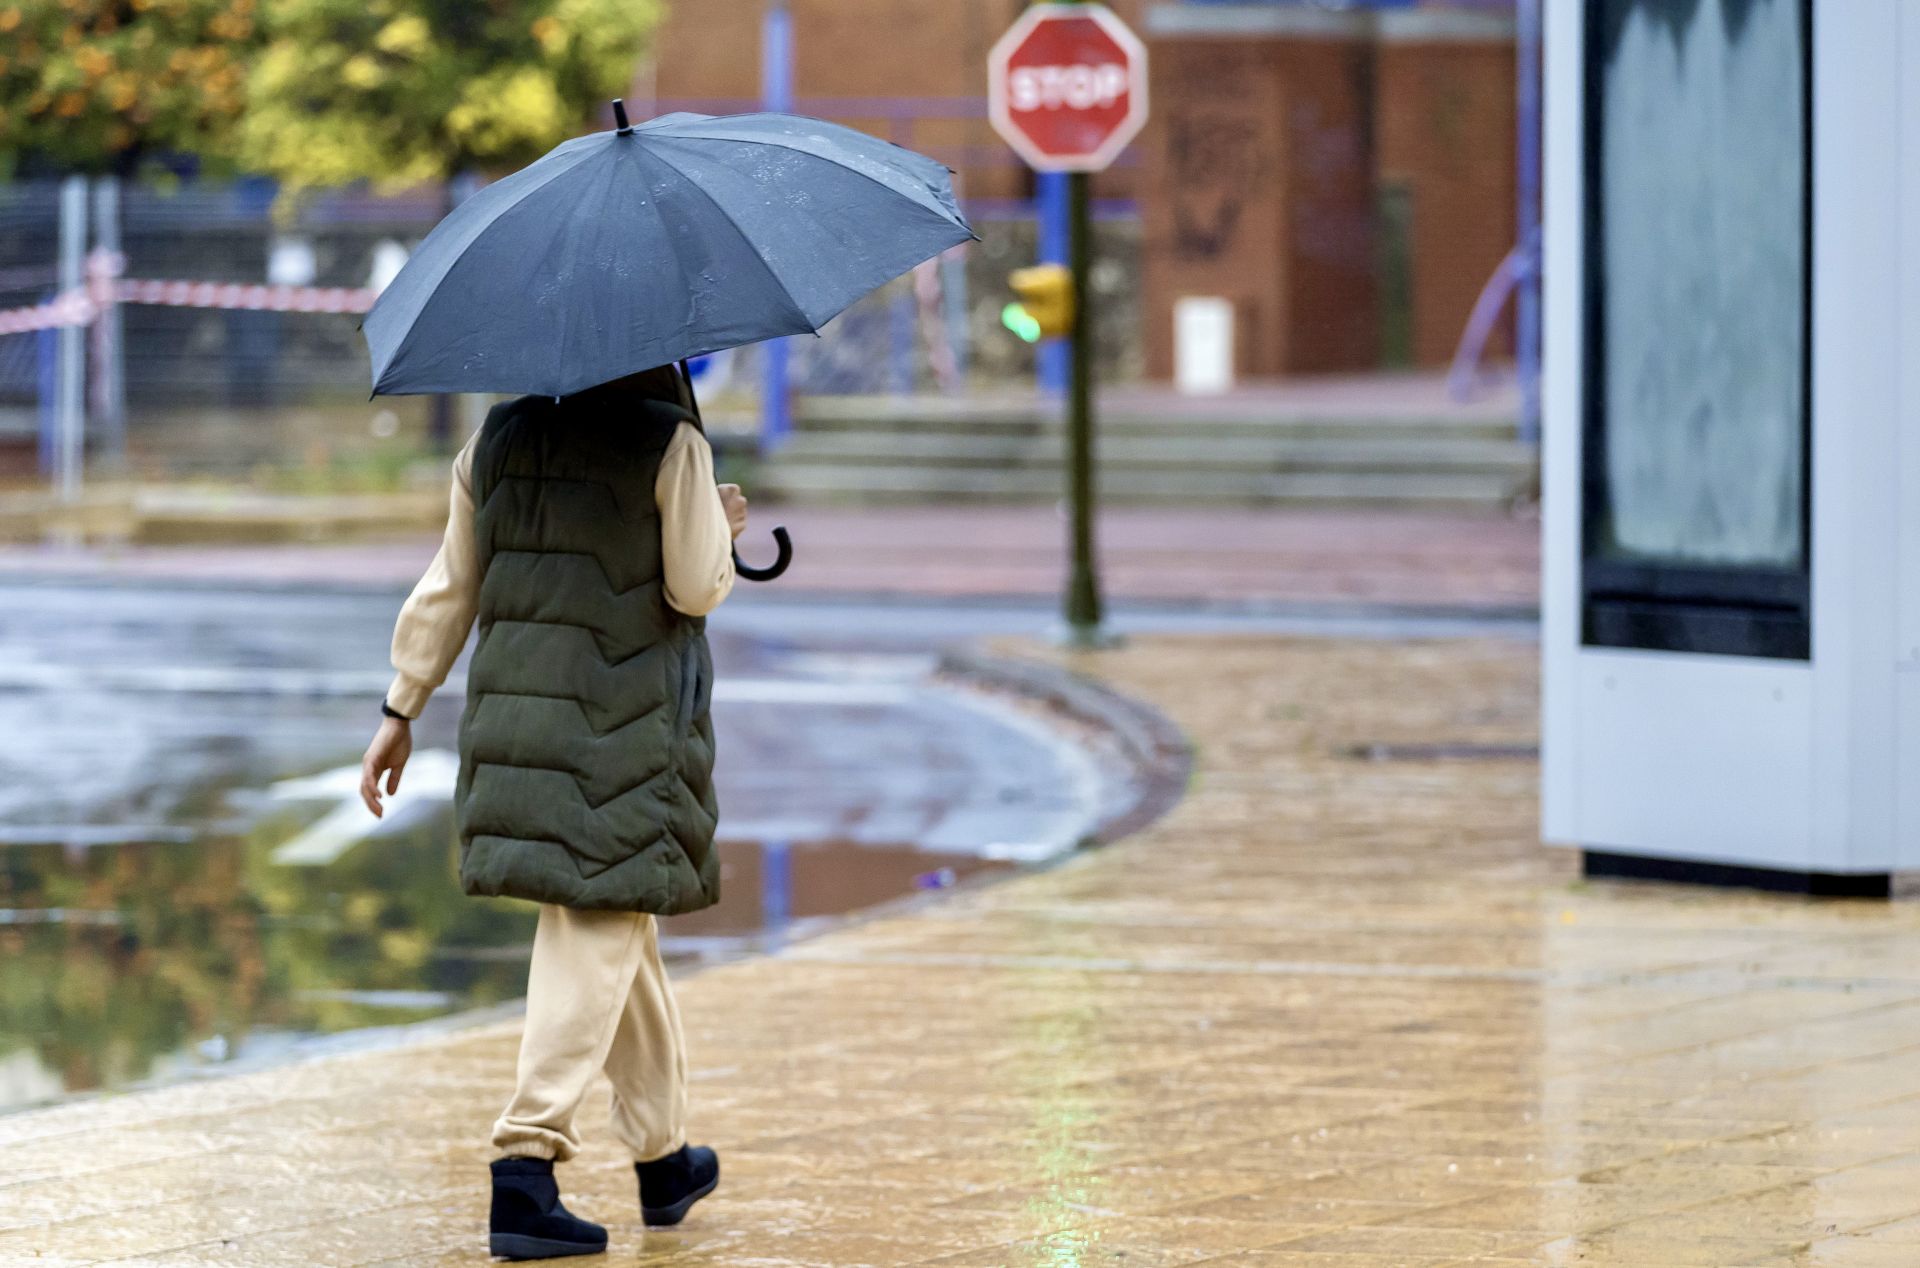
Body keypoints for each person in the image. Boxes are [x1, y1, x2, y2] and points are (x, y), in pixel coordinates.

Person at [358, 363, 744, 1261]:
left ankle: (663, 1159)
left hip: (516, 719)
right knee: (598, 918)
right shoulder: (669, 441)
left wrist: (400, 708)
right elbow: (694, 588)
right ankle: (525, 1167)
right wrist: (719, 530)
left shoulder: (494, 443)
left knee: (617, 919)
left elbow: (450, 585)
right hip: (624, 729)